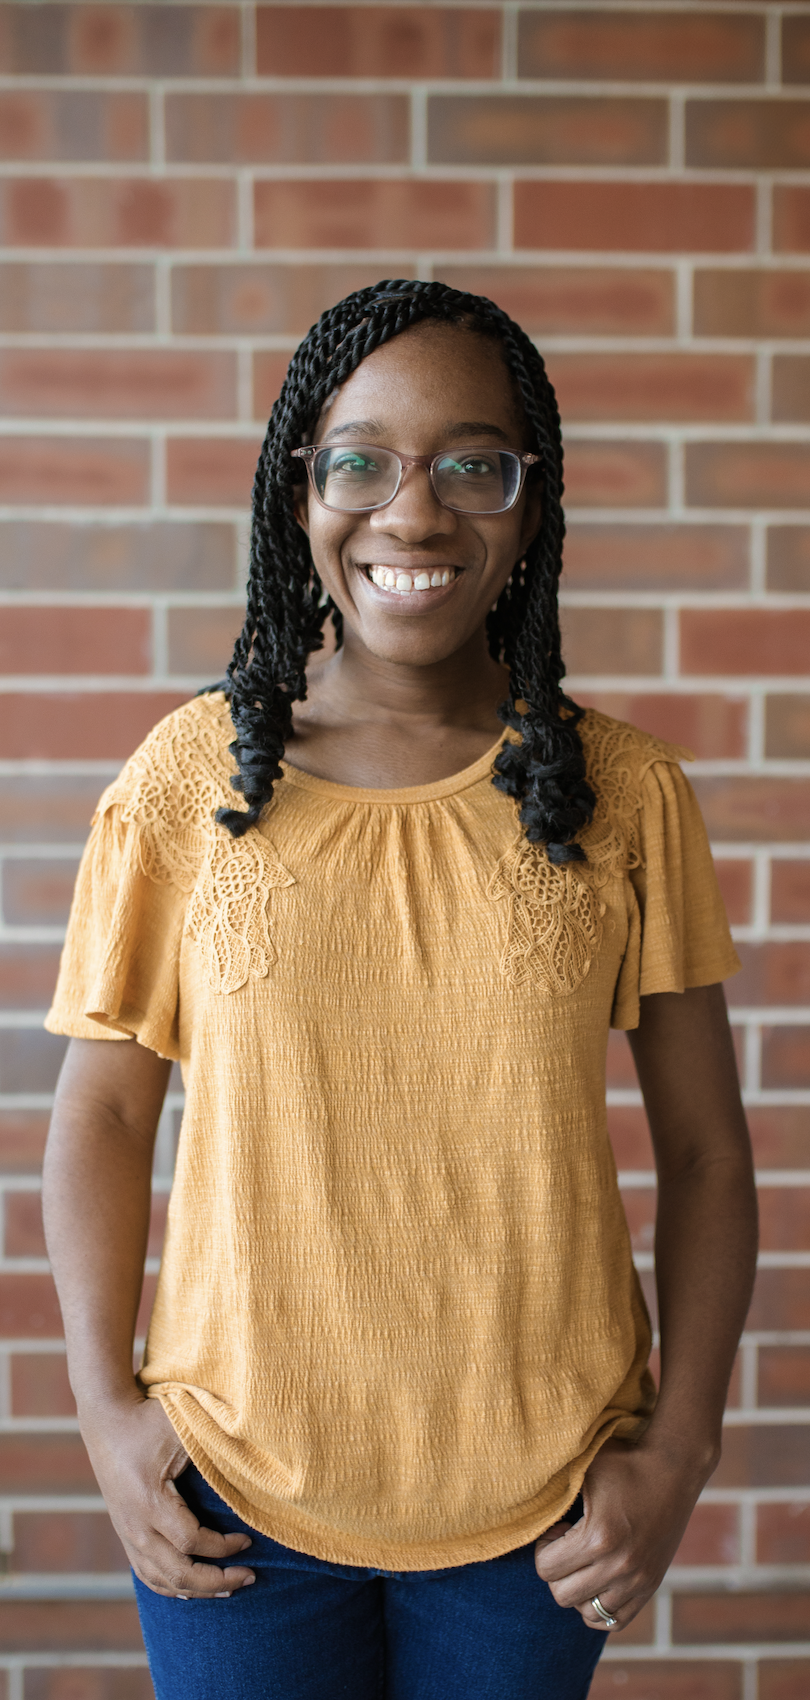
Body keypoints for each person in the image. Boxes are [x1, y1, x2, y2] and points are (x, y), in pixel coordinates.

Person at [43, 280, 757, 1700]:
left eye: (470, 465)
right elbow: (104, 1121)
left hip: (538, 1505)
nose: (412, 514)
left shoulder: (620, 794)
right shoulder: (191, 782)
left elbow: (700, 1149)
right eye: (359, 461)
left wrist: (678, 1451)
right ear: (297, 495)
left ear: (529, 502)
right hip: (233, 1493)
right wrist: (105, 1416)